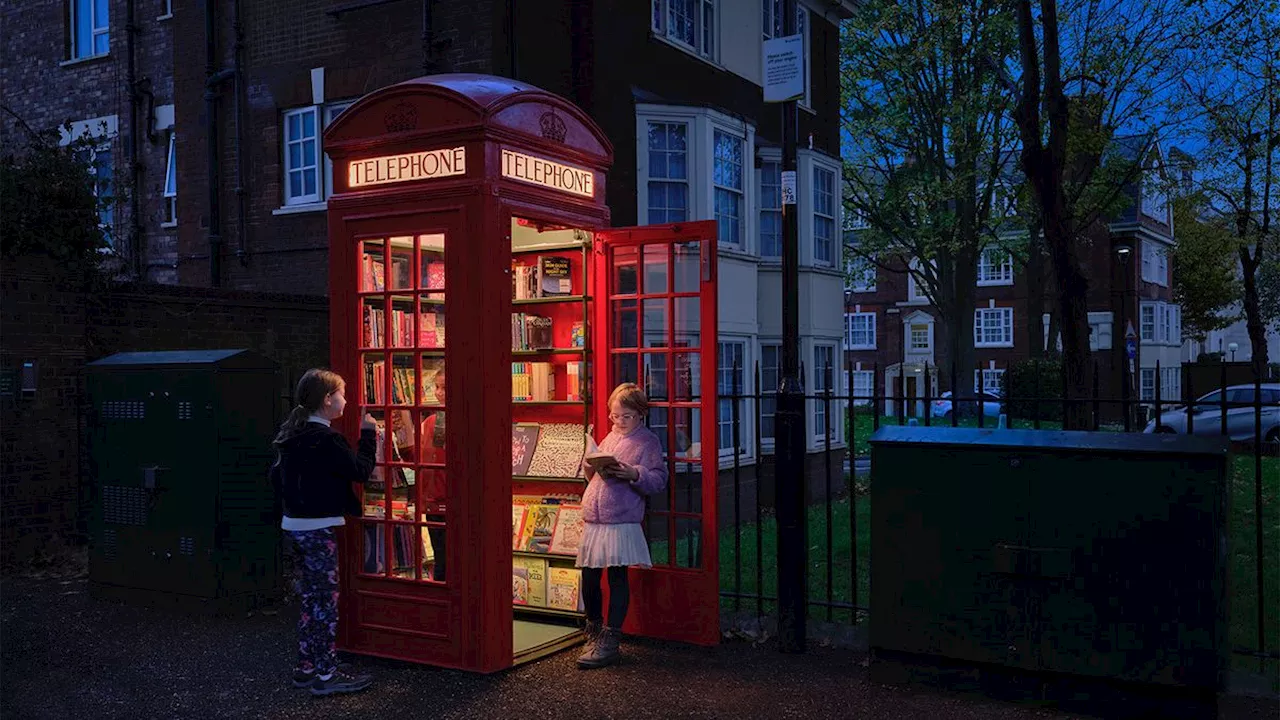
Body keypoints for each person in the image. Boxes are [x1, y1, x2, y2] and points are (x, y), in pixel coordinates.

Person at [270, 369, 377, 696]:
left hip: (295, 525)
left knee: (311, 599)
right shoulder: (328, 439)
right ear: (327, 400)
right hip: (318, 528)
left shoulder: (293, 435)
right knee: (326, 602)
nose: (345, 400)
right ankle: (327, 675)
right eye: (342, 394)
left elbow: (276, 479)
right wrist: (369, 434)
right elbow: (360, 471)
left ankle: (306, 668)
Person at [575, 383, 667, 669]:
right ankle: (593, 629)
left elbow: (658, 479)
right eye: (614, 416)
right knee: (589, 578)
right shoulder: (610, 436)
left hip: (620, 519)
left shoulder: (647, 442)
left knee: (616, 578)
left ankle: (611, 639)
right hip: (596, 518)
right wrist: (590, 464)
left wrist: (633, 473)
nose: (619, 421)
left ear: (640, 414)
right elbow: (594, 476)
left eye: (625, 416)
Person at [417, 369, 447, 581]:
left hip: (457, 504)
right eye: (437, 387)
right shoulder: (430, 422)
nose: (438, 393)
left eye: (444, 388)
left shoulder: (468, 420)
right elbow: (420, 460)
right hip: (433, 503)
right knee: (441, 560)